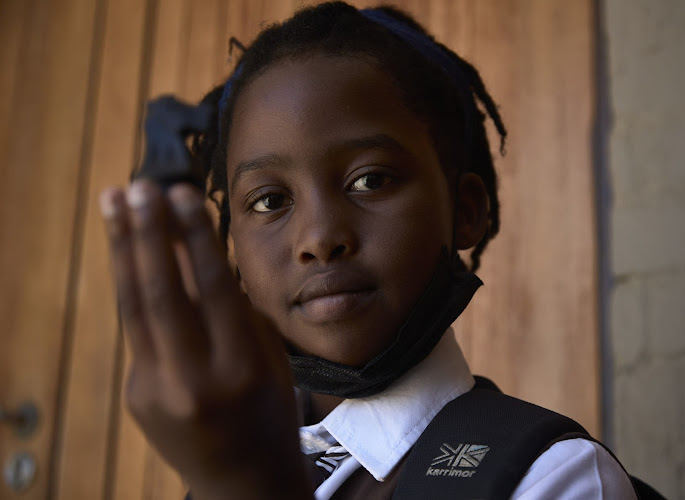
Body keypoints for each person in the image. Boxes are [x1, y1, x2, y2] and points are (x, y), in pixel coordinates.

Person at [98, 2, 639, 498]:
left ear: (465, 209)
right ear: (233, 241)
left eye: (370, 180)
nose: (319, 238)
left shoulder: (550, 476)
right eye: (268, 200)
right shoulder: (221, 463)